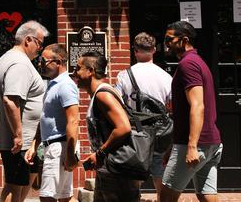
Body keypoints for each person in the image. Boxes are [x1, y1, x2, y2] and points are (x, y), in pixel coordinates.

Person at [160, 21, 222, 202]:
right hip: (211, 143)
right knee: (206, 196)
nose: (166, 42)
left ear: (184, 40)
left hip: (196, 144)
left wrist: (191, 146)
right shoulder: (198, 62)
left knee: (166, 198)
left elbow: (197, 105)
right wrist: (173, 144)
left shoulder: (188, 65)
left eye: (169, 38)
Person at [0, 20, 48, 202]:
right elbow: (11, 100)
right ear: (28, 40)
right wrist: (18, 135)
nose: (40, 48)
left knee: (21, 184)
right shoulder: (19, 64)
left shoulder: (9, 58)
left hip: (26, 141)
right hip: (19, 142)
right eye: (39, 43)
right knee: (14, 185)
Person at [74, 51, 140, 202]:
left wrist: (100, 153)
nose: (74, 73)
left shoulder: (103, 95)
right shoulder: (99, 93)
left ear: (90, 71)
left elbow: (123, 127)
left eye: (78, 68)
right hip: (110, 170)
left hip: (118, 173)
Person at [115, 32, 172, 200]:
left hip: (135, 132)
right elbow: (172, 106)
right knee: (159, 171)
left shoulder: (124, 75)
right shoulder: (165, 77)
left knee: (133, 173)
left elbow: (117, 103)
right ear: (154, 50)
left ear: (135, 50)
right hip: (160, 132)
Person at [25, 44, 79, 202]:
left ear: (59, 62)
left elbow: (73, 120)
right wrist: (35, 144)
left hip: (59, 148)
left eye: (44, 61)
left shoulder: (66, 86)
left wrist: (69, 154)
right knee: (65, 197)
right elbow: (46, 117)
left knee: (47, 197)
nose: (40, 64)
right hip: (55, 146)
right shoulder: (53, 84)